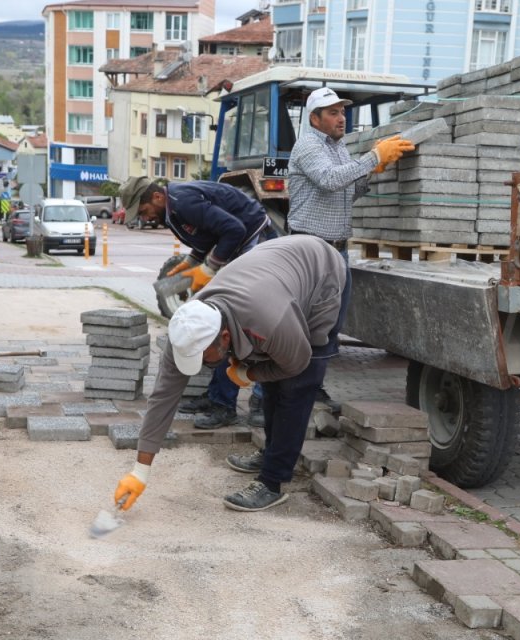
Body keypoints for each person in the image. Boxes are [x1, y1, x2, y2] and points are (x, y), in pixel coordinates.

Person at [112, 235, 347, 512]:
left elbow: (298, 363)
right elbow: (163, 398)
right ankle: (272, 453)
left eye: (202, 357)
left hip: (322, 274)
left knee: (294, 386)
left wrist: (251, 375)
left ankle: (272, 482)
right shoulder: (188, 326)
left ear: (224, 337)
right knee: (272, 380)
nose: (198, 364)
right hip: (276, 272)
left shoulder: (269, 321)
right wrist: (140, 471)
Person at [285, 87, 414, 411]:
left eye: (343, 112)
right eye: (333, 112)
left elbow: (346, 192)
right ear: (315, 118)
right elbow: (329, 180)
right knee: (296, 326)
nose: (341, 118)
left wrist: (373, 170)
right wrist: (372, 157)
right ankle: (267, 398)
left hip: (337, 250)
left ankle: (312, 388)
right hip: (310, 249)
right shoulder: (308, 146)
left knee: (329, 329)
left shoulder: (339, 149)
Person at [117, 176, 275, 429]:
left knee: (235, 323)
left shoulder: (183, 201)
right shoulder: (174, 209)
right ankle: (216, 397)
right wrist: (191, 263)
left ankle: (236, 404)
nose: (144, 218)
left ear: (157, 197)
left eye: (144, 211)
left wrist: (209, 270)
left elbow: (234, 230)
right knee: (218, 318)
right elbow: (208, 235)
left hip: (256, 241)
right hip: (240, 243)